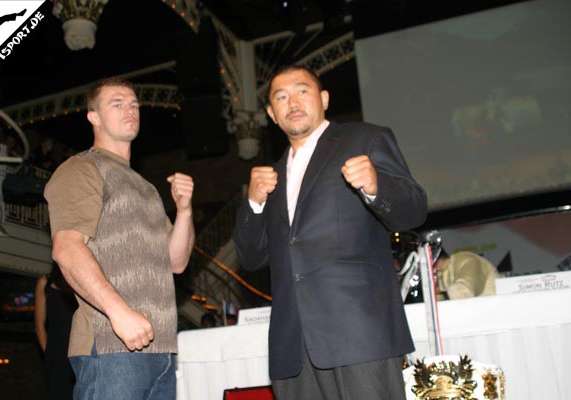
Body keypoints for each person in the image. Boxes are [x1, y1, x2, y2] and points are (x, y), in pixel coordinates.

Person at [233, 65, 428, 399]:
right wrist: (253, 203)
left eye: (302, 91)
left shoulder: (366, 138)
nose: (292, 102)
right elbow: (251, 258)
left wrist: (376, 186)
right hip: (293, 345)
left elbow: (414, 211)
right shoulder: (270, 177)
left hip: (359, 333)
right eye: (280, 97)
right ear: (271, 114)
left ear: (324, 98)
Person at [44, 77, 195, 400]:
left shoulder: (147, 188)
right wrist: (119, 314)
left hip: (162, 350)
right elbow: (67, 249)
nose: (130, 109)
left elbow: (177, 262)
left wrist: (184, 211)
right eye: (117, 103)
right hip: (111, 346)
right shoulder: (82, 168)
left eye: (134, 104)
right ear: (94, 117)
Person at [34, 264, 78, 400]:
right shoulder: (45, 282)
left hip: (78, 350)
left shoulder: (79, 282)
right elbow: (39, 325)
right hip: (56, 353)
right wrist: (49, 354)